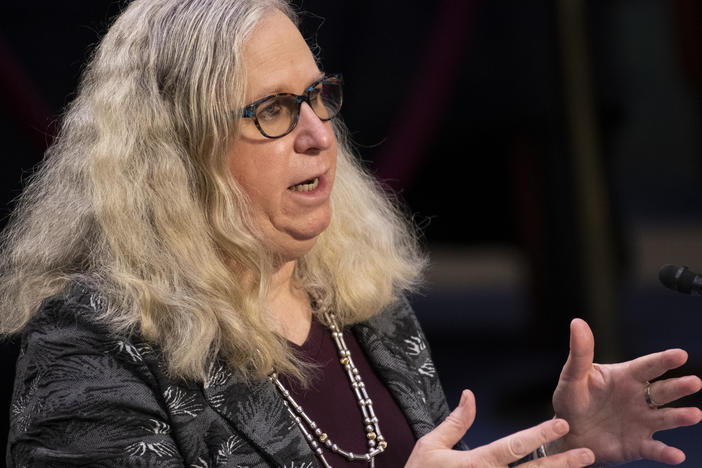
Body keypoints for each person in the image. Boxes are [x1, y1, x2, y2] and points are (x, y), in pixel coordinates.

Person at [1, 0, 700, 466]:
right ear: (176, 152)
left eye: (316, 97)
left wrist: (556, 444)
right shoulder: (91, 338)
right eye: (273, 109)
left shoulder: (358, 300)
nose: (317, 136)